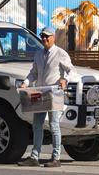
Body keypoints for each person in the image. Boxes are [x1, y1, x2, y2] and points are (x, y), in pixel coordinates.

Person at [18, 26, 77, 168]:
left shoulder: (60, 53)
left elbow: (71, 70)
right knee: (37, 124)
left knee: (54, 125)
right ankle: (34, 157)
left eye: (47, 36)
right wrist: (26, 83)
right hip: (40, 92)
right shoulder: (39, 53)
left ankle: (56, 157)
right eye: (42, 36)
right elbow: (34, 72)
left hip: (55, 92)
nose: (44, 38)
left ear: (53, 37)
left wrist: (65, 80)